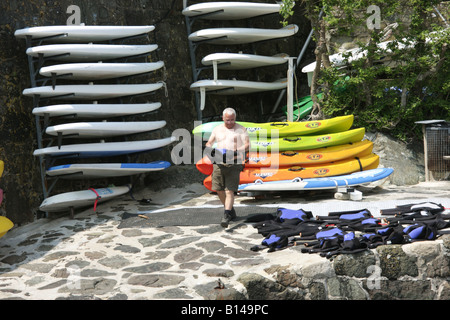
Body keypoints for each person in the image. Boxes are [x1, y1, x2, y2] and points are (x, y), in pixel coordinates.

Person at [205, 108, 249, 228]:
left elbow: (247, 145)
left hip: (234, 162)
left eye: (232, 120)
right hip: (219, 162)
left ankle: (226, 215)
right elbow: (209, 143)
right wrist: (210, 150)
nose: (230, 122)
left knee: (229, 190)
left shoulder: (241, 129)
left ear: (235, 118)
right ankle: (230, 210)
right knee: (218, 189)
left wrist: (235, 151)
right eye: (227, 120)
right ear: (223, 118)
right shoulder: (217, 129)